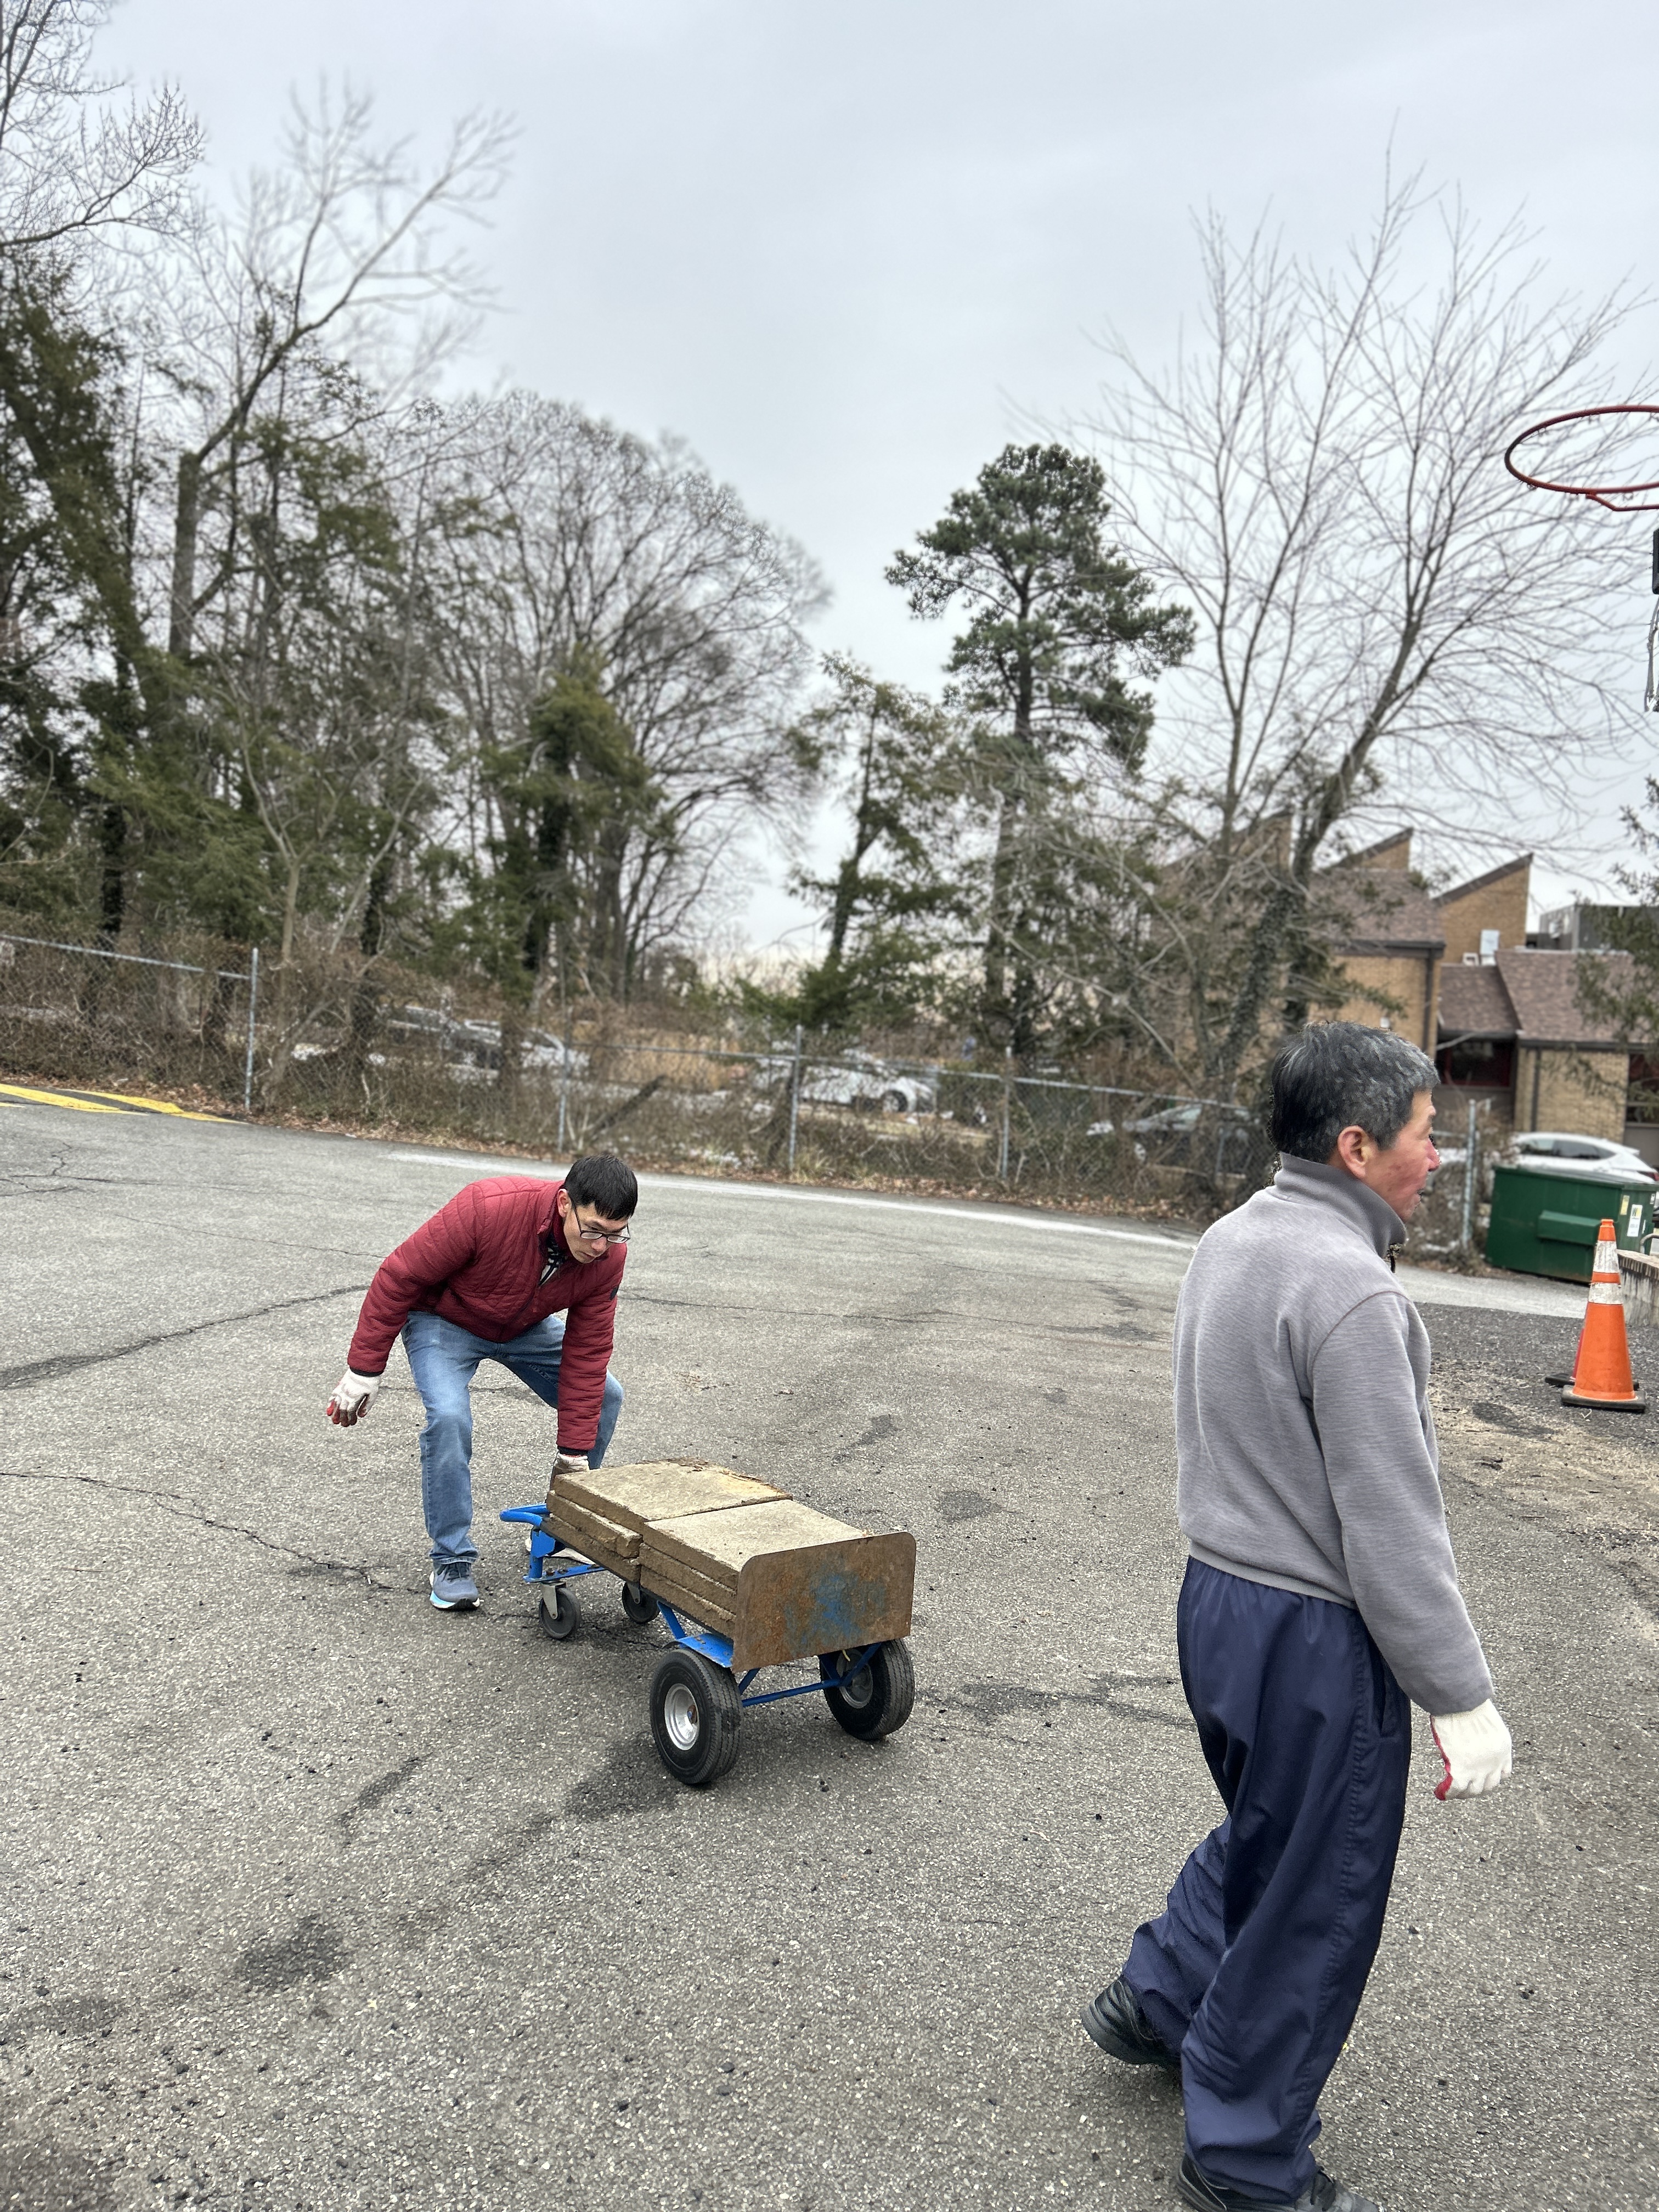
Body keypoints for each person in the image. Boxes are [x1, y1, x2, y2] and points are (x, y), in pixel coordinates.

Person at [1081, 1024, 1512, 2212]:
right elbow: (1392, 1526)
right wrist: (1459, 1695)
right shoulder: (1354, 1292)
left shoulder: (1232, 1238)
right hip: (1312, 1635)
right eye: (1424, 1134)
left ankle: (1160, 1997)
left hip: (1217, 1601)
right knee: (1319, 1893)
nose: (1439, 1157)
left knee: (1276, 1831)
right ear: (1356, 1146)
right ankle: (1245, 2159)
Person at [326, 1152, 637, 1610]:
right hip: (444, 1320)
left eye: (616, 1234)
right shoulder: (488, 1207)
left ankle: (562, 1528)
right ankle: (451, 1560)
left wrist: (574, 1454)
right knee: (449, 1418)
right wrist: (364, 1369)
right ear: (564, 1204)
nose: (600, 1247)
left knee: (607, 1397)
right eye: (592, 1230)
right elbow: (399, 1276)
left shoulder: (607, 1256)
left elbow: (587, 1350)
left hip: (523, 1326)